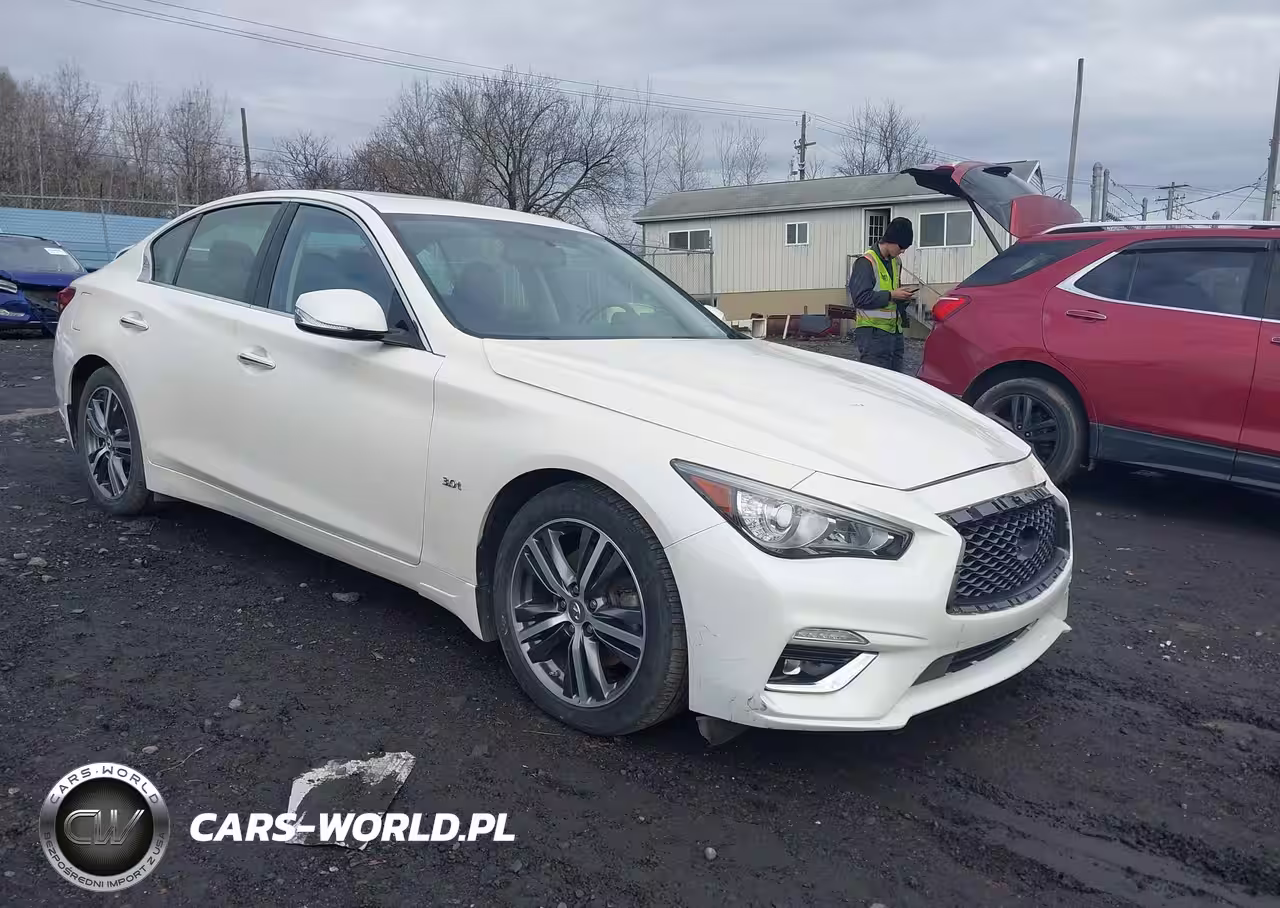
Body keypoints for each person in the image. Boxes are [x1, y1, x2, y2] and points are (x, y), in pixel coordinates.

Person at [846, 217, 916, 373]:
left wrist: (902, 297)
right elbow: (860, 299)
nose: (903, 251)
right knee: (877, 383)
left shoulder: (895, 262)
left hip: (894, 333)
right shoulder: (865, 262)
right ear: (891, 240)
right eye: (902, 246)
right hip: (873, 335)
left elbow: (891, 291)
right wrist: (892, 295)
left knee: (896, 381)